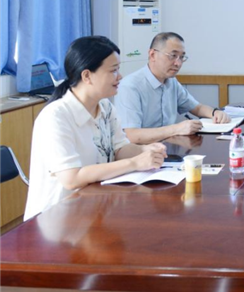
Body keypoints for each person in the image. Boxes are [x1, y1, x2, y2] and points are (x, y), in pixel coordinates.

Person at [24, 36, 168, 221]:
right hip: (55, 220)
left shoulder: (105, 107)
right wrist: (135, 163)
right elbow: (72, 178)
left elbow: (119, 149)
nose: (120, 76)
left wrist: (145, 150)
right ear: (87, 76)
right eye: (113, 70)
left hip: (92, 209)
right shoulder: (55, 116)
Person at [115, 32, 230, 144]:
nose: (178, 63)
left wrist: (215, 113)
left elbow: (197, 107)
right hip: (142, 153)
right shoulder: (130, 86)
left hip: (168, 148)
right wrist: (176, 129)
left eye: (182, 57)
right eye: (173, 56)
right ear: (152, 55)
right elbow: (132, 135)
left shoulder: (171, 81)